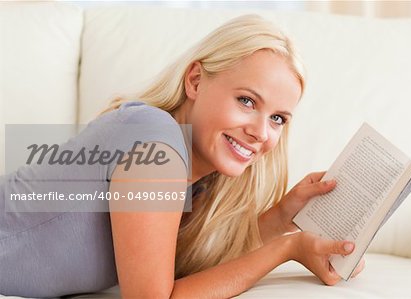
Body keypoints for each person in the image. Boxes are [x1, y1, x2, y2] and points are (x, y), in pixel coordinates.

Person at [0, 14, 364, 298]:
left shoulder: (197, 180)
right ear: (195, 81)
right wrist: (287, 248)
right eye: (247, 101)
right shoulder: (155, 142)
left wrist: (286, 215)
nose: (261, 132)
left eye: (278, 119)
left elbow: (207, 265)